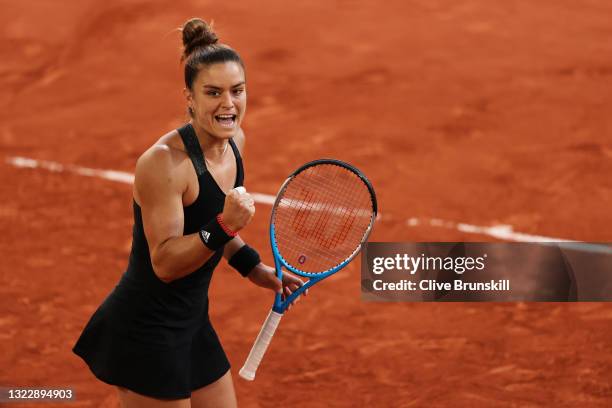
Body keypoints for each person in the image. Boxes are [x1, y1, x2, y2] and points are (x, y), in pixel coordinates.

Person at [73, 17, 306, 408]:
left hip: (192, 321)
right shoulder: (164, 164)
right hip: (147, 328)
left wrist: (255, 269)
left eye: (237, 91)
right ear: (190, 98)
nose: (228, 104)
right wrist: (225, 224)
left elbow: (211, 224)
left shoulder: (234, 143)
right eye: (213, 92)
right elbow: (165, 261)